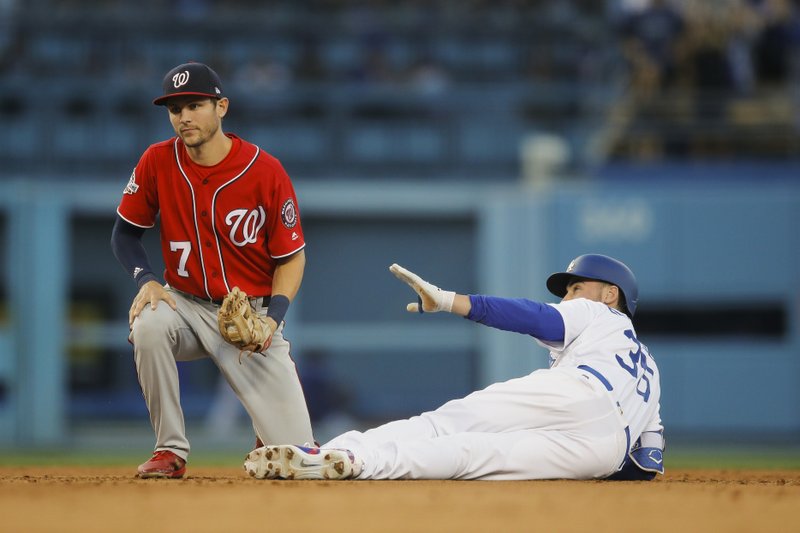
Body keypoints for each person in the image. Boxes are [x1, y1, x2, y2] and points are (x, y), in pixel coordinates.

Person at [245, 254, 664, 481]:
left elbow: (537, 317)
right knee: (472, 457)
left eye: (576, 287)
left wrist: (448, 300)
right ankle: (357, 465)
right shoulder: (651, 371)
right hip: (602, 452)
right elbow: (647, 462)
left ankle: (330, 450)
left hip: (579, 392)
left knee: (446, 423)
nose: (569, 296)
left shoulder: (600, 316)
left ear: (611, 295)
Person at [111, 61, 314, 479]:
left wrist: (273, 319)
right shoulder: (157, 161)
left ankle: (269, 433)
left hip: (250, 316)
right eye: (175, 108)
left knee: (298, 457)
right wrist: (146, 280)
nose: (183, 117)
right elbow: (124, 235)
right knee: (148, 325)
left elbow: (292, 257)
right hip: (184, 304)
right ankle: (169, 450)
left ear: (222, 106)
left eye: (195, 105)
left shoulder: (264, 169)